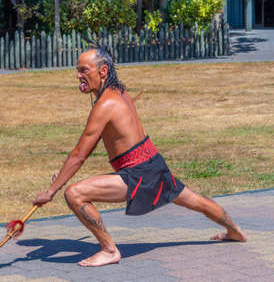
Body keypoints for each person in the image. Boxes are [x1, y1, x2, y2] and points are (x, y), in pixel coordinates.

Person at [32, 45, 247, 267]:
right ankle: (235, 231)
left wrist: (51, 190)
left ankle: (109, 250)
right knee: (194, 201)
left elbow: (79, 155)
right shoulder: (119, 92)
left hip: (139, 174)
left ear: (103, 71)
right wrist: (61, 176)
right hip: (154, 164)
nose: (78, 76)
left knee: (74, 194)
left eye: (84, 70)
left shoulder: (105, 104)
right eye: (77, 70)